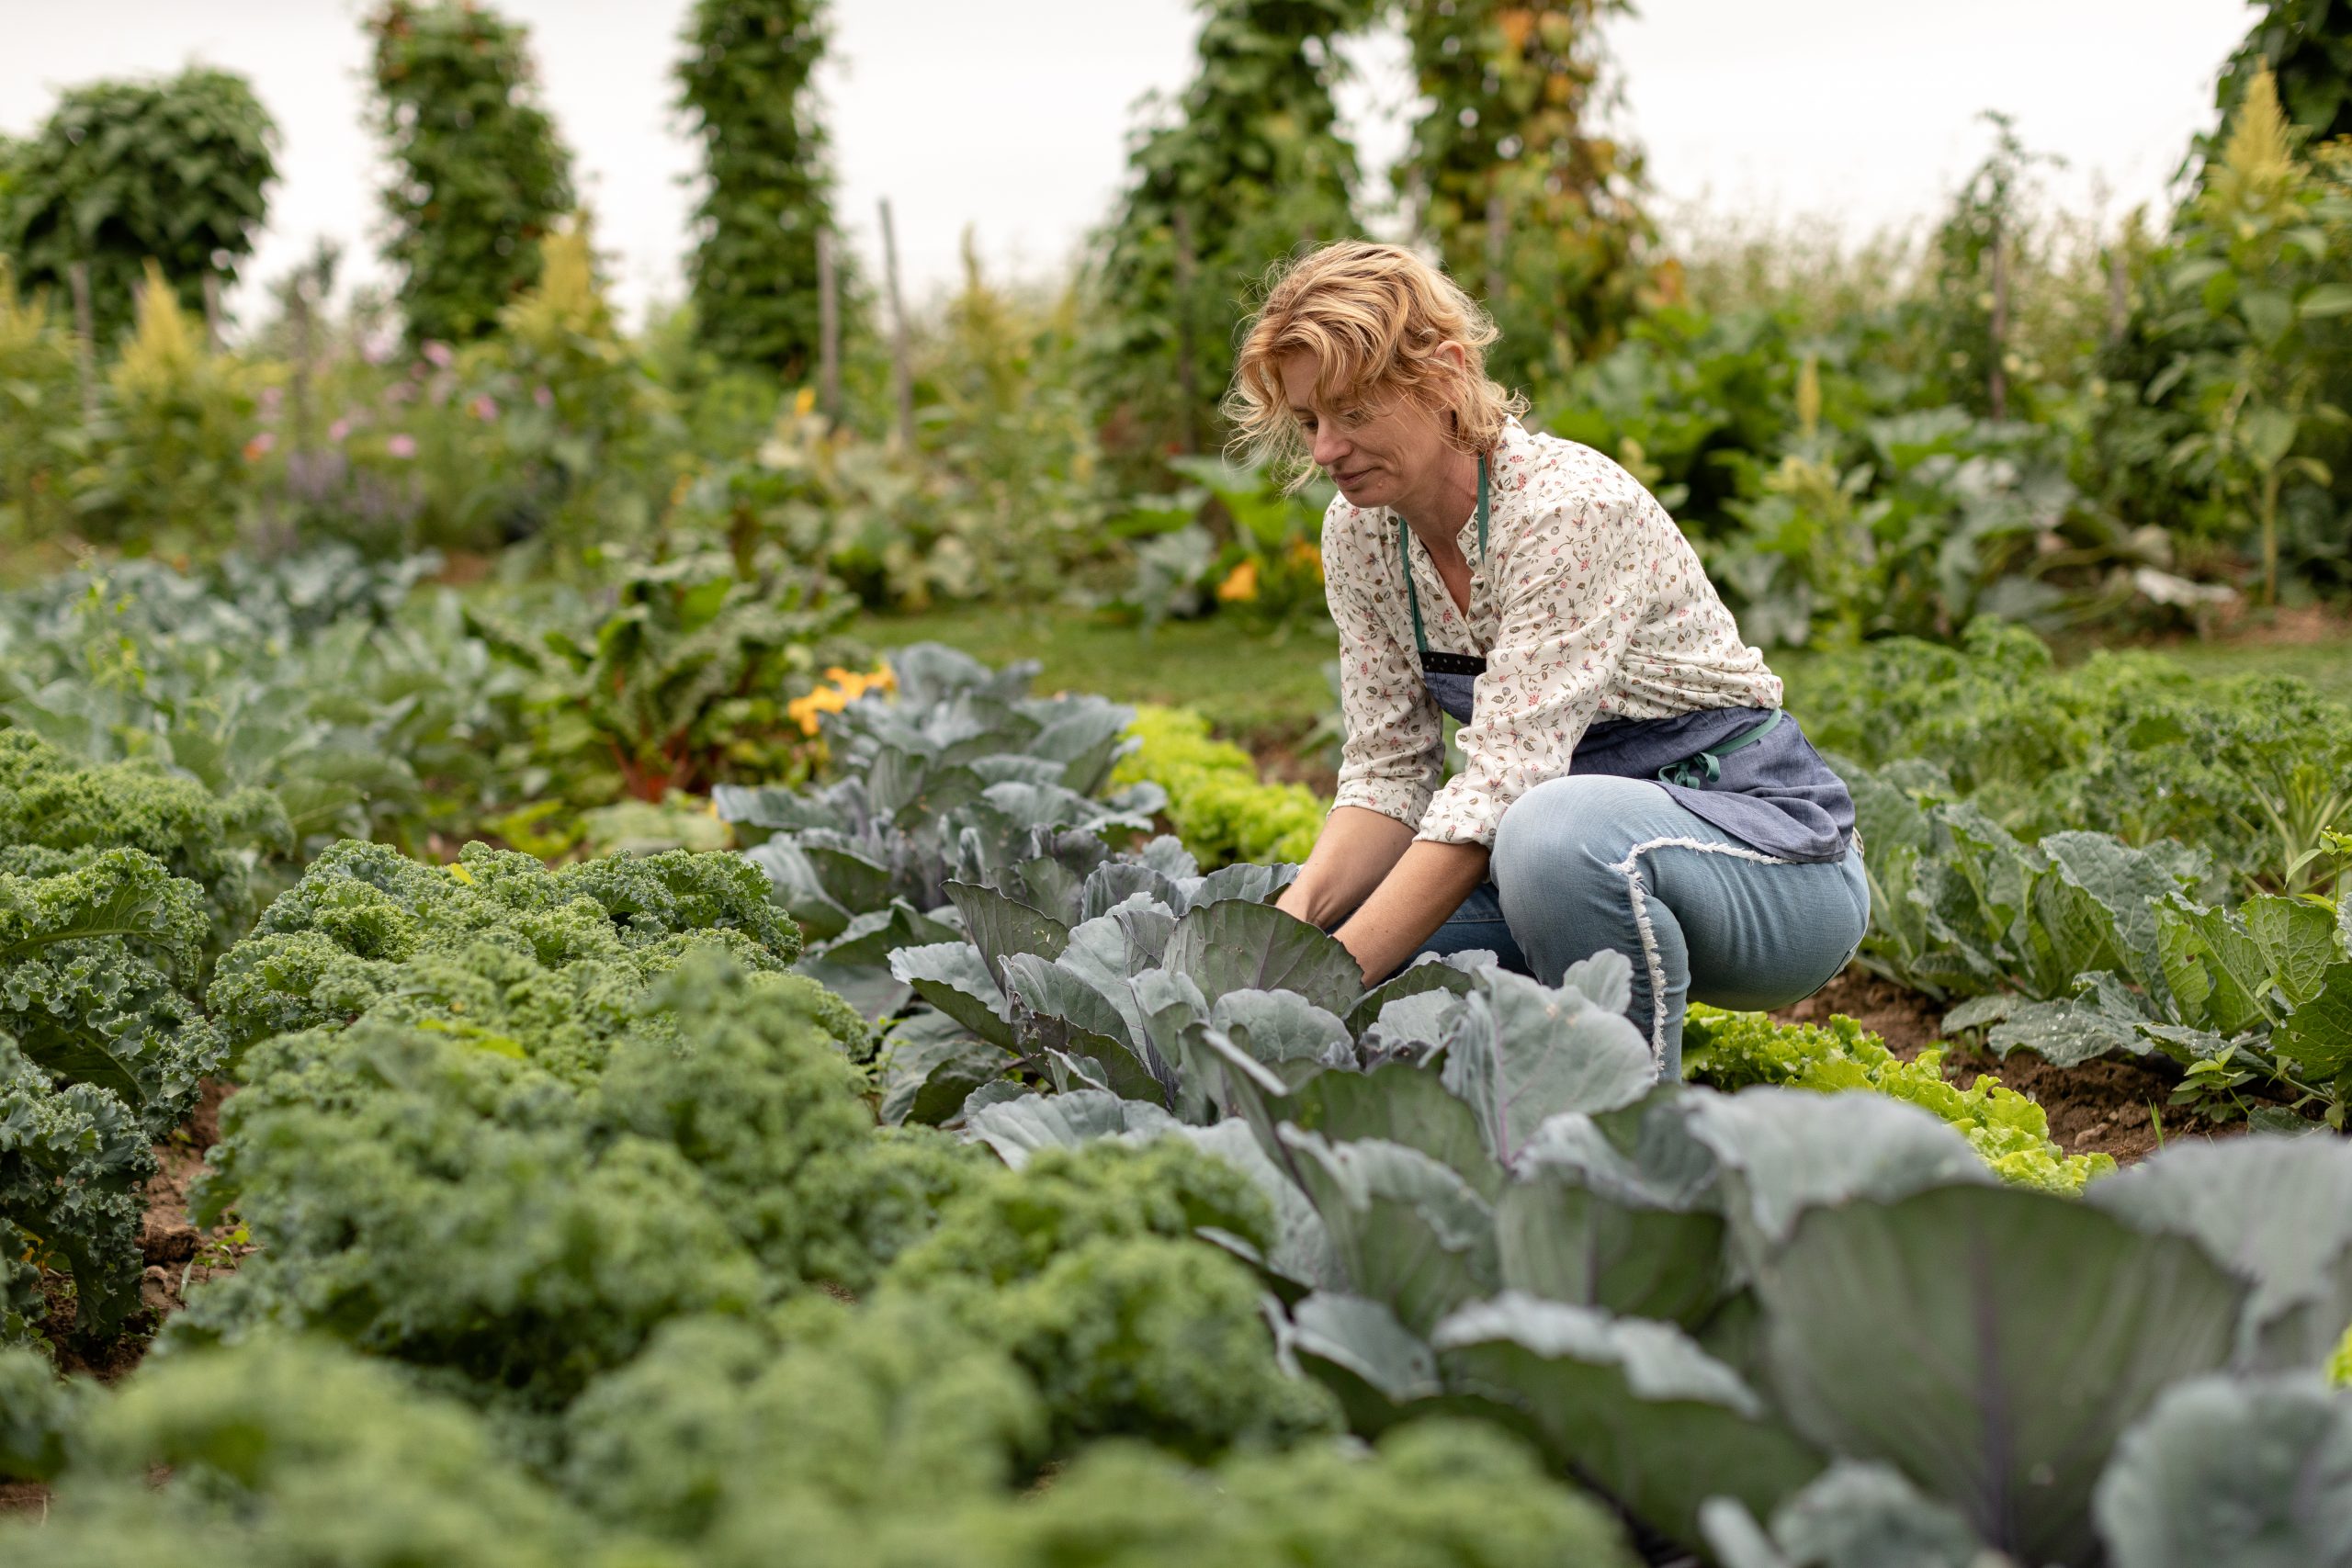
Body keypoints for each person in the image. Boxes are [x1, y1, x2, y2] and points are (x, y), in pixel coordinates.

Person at [1233, 241, 1868, 1078]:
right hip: (1565, 863)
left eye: (1351, 412)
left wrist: (1332, 976)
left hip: (1766, 861)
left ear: (1447, 373)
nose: (1324, 451)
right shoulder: (1362, 535)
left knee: (1545, 837)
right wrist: (1293, 938)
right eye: (1311, 421)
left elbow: (1506, 789)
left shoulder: (1568, 511)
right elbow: (1388, 772)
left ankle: (1628, 1131)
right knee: (1265, 913)